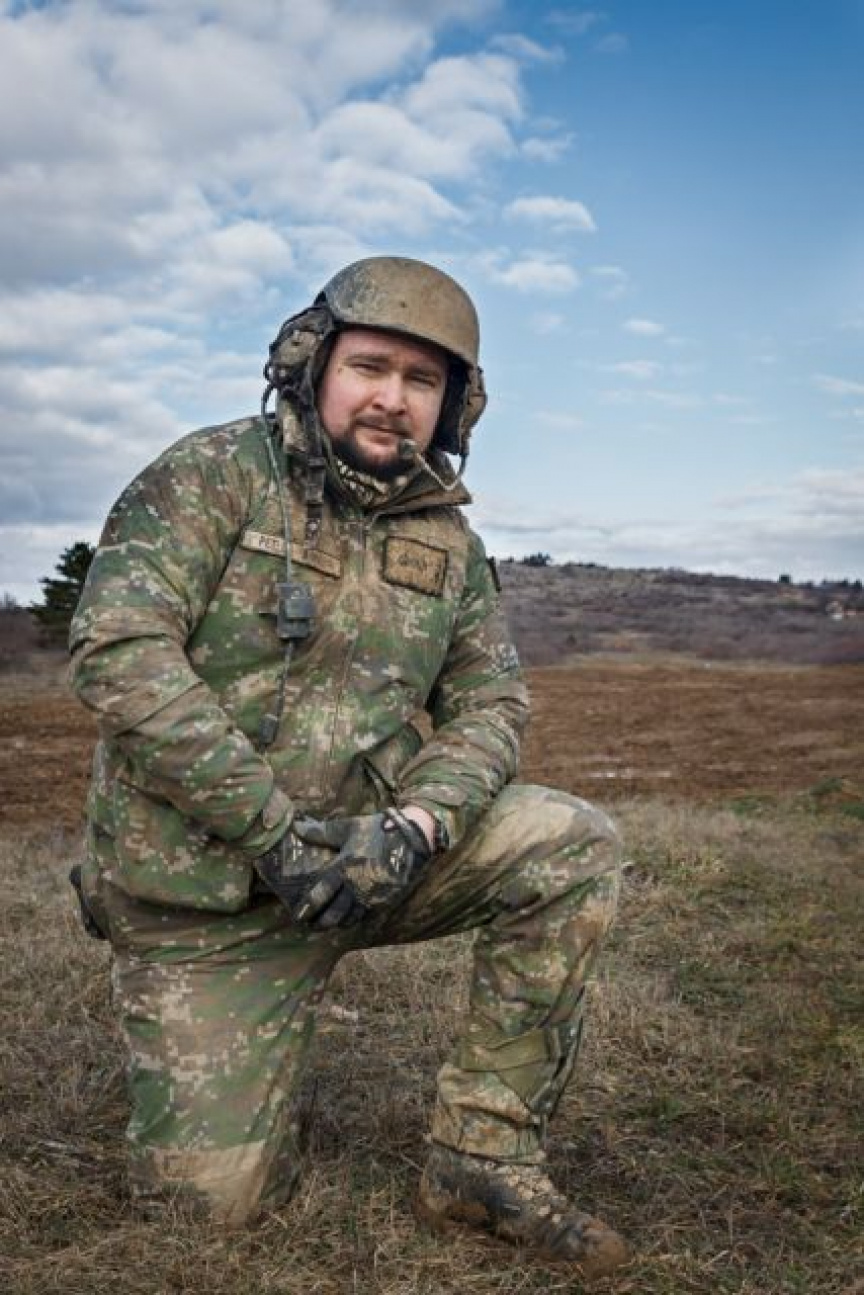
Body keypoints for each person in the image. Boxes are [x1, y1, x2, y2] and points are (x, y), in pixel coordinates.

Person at [69, 256, 627, 1277]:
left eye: (423, 381)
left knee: (572, 844)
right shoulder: (211, 476)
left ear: (454, 404)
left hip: (368, 868)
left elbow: (493, 702)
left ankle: (481, 1155)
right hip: (213, 901)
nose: (393, 398)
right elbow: (120, 651)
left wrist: (416, 827)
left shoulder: (447, 541)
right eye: (370, 366)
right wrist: (274, 834)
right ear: (311, 362)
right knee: (205, 1213)